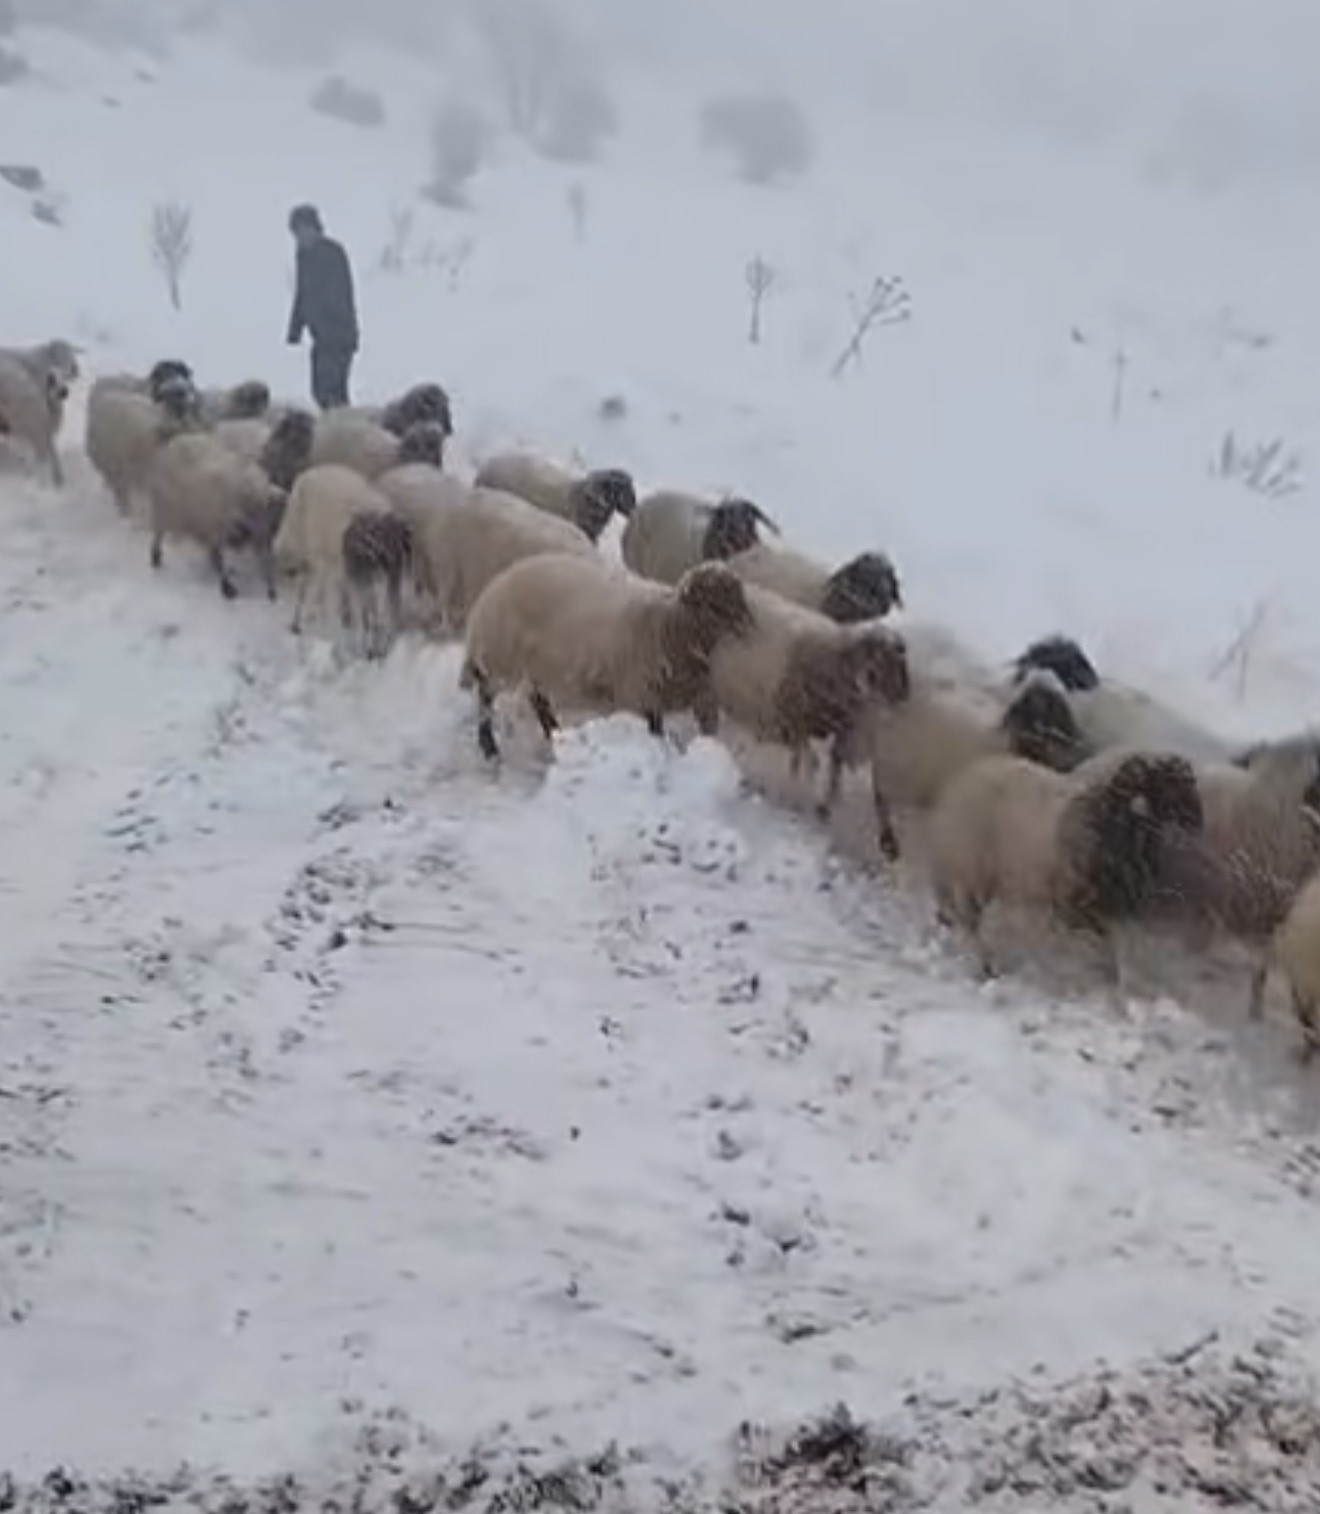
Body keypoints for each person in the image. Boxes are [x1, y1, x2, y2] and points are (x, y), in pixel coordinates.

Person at [285, 203, 359, 411]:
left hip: (339, 335)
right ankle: (335, 430)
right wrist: (295, 328)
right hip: (321, 336)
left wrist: (328, 322)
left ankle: (345, 434)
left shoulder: (332, 253)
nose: (299, 237)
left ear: (314, 228)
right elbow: (302, 293)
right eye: (295, 233)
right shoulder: (303, 256)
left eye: (302, 231)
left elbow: (339, 294)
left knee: (333, 392)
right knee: (320, 392)